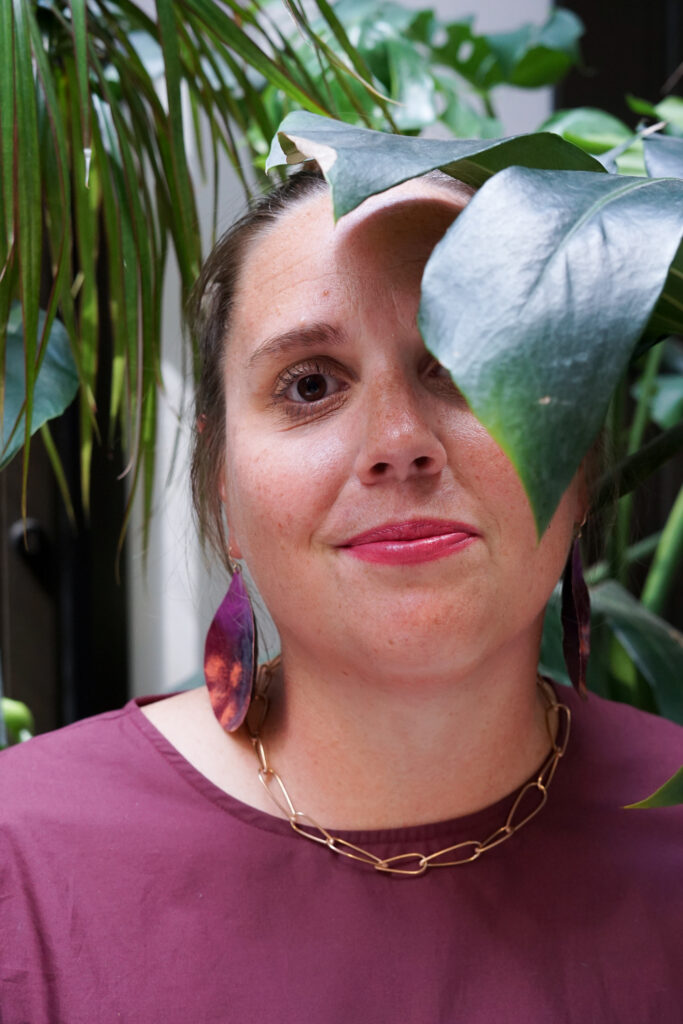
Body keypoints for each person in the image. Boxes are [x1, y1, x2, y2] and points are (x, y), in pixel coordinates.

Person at [1, 166, 681, 1024]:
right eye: (310, 384)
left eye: (469, 366)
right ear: (223, 487)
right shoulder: (23, 864)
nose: (399, 444)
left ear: (578, 464)